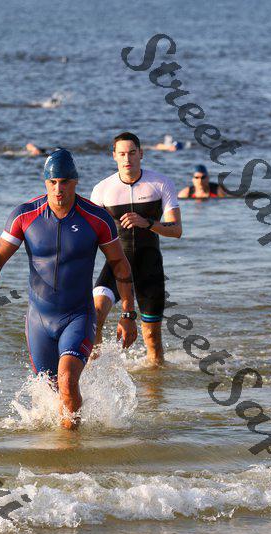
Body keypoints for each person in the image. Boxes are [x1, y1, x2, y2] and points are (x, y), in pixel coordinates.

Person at [0, 148, 137, 430]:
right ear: (45, 182)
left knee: (67, 379)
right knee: (53, 392)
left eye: (64, 182)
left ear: (75, 182)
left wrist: (128, 313)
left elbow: (119, 265)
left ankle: (69, 449)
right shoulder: (25, 215)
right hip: (38, 320)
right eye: (52, 182)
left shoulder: (96, 218)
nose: (58, 189)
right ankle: (67, 439)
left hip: (78, 315)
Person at [91, 132, 182, 366]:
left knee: (152, 339)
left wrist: (147, 223)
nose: (127, 158)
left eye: (132, 153)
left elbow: (176, 229)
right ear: (114, 156)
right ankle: (93, 371)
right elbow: (91, 236)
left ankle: (156, 387)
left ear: (141, 154)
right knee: (95, 316)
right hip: (115, 266)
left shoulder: (160, 184)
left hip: (148, 266)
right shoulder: (102, 189)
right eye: (122, 154)